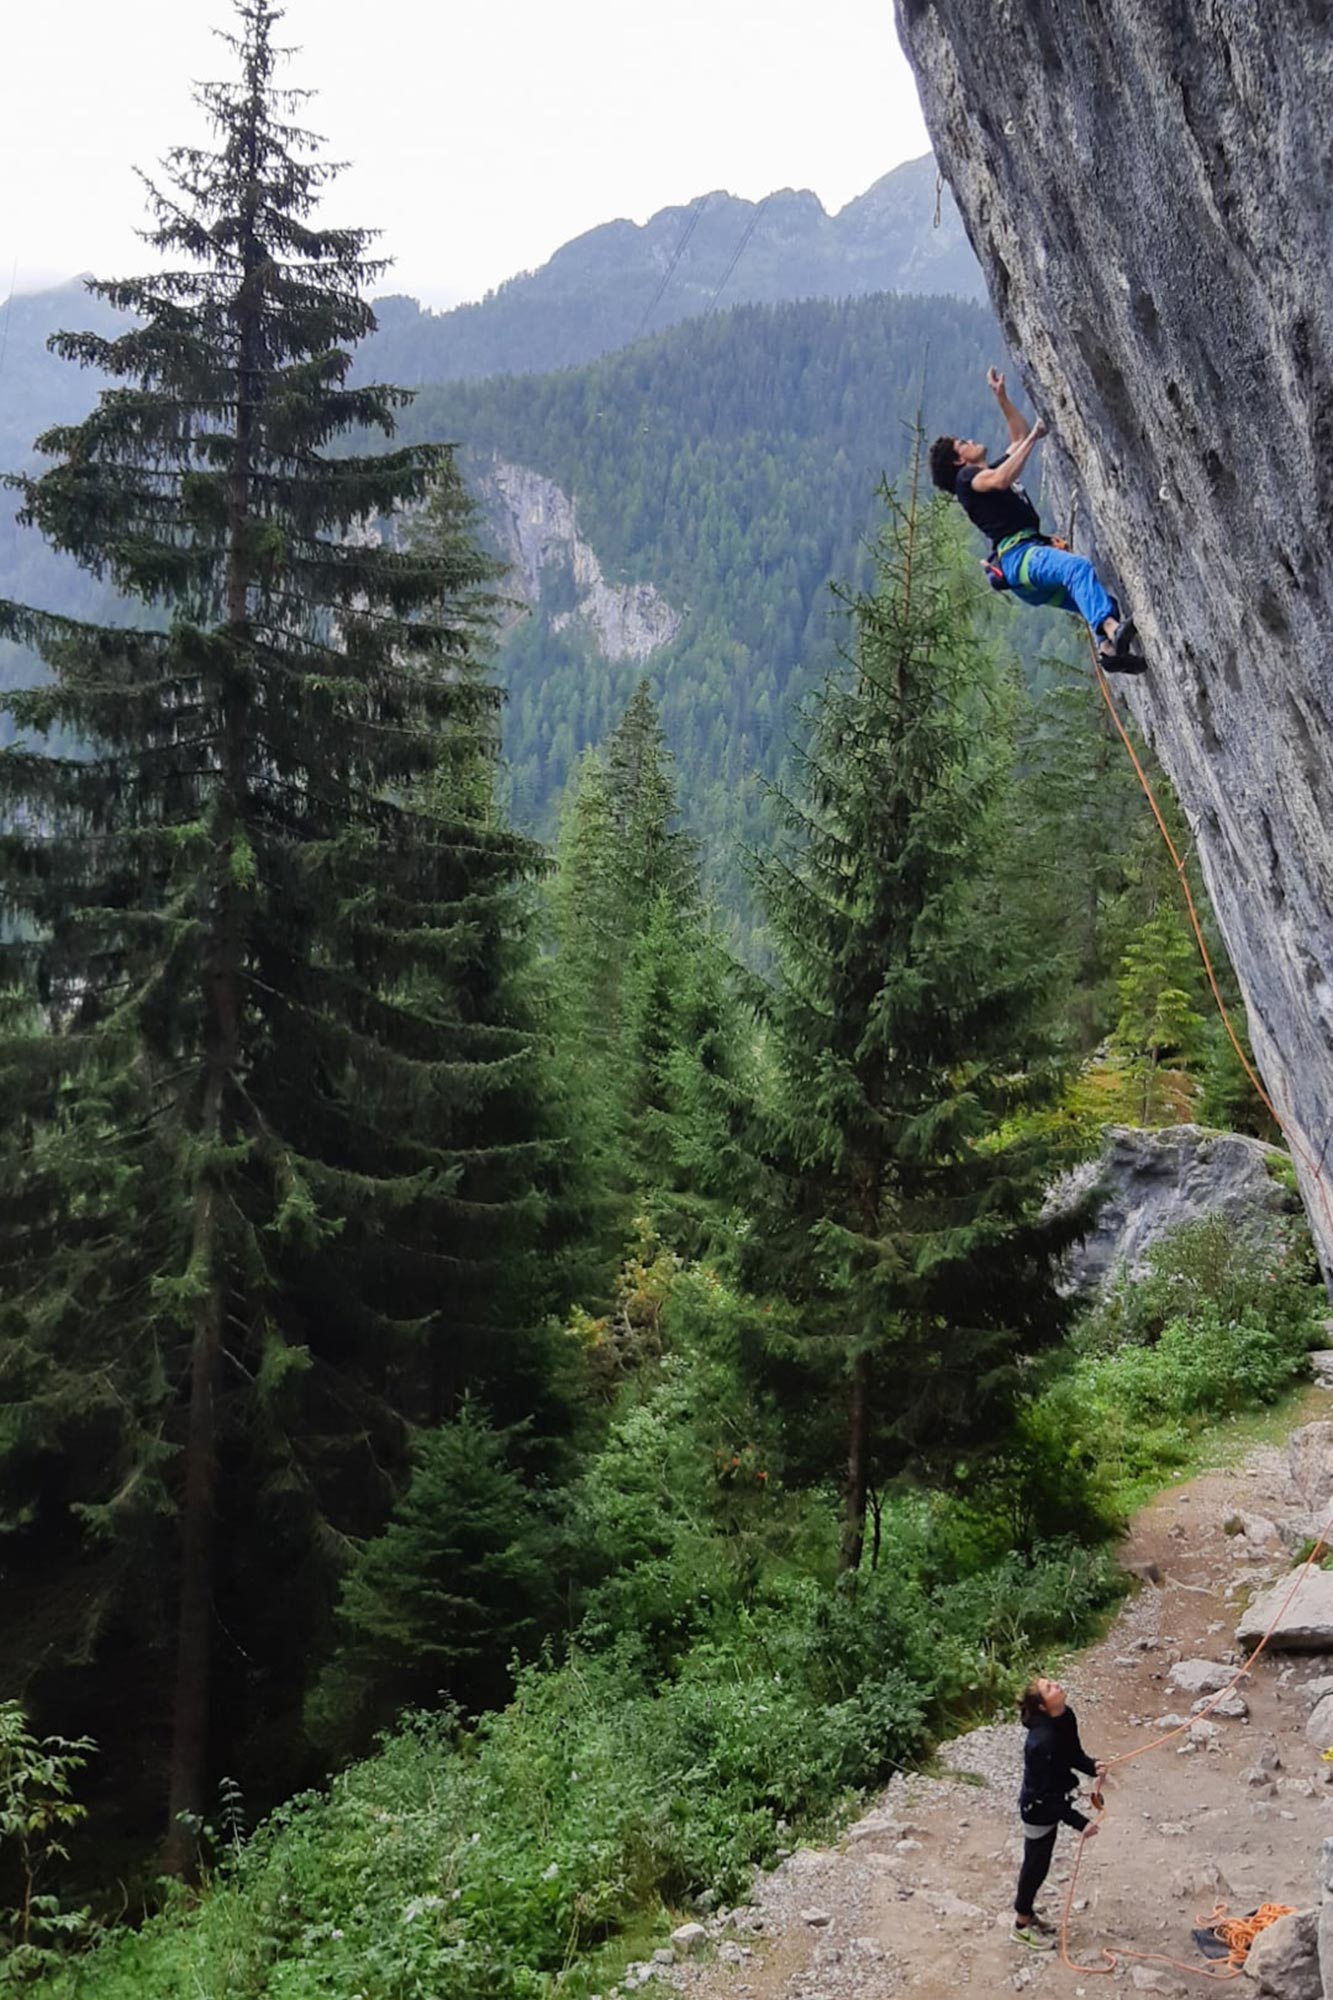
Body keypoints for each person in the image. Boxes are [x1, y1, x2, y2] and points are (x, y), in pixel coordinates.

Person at [929, 368, 1147, 674]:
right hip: (1021, 559)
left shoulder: (983, 476)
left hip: (1025, 573)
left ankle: (1109, 651)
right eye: (962, 442)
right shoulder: (968, 479)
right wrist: (1035, 436)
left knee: (1096, 598)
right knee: (1078, 569)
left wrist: (1001, 398)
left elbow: (1017, 437)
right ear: (958, 460)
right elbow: (1004, 477)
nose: (971, 440)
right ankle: (1112, 632)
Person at [1011, 1674, 1108, 1952]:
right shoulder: (1039, 1743)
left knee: (1041, 1862)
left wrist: (1092, 1766)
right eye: (1048, 1687)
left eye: (1052, 1682)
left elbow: (1071, 1753)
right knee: (1036, 1865)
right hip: (1037, 1808)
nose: (1056, 1684)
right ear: (1042, 1705)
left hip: (1052, 1800)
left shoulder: (1065, 1716)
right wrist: (1080, 1823)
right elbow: (1043, 1794)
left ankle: (1027, 1915)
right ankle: (1020, 1923)